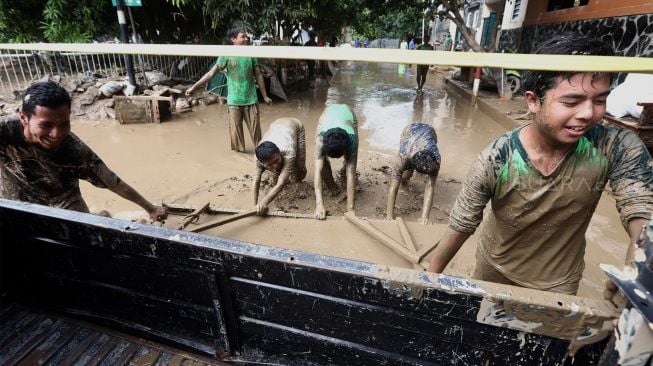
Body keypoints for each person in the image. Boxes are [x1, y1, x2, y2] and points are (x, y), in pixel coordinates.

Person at [428, 33, 653, 295]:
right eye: (571, 102)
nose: (589, 113)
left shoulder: (615, 146)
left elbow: (643, 213)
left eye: (600, 100)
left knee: (547, 335)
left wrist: (638, 275)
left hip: (558, 284)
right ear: (533, 101)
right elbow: (462, 223)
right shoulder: (498, 158)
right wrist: (430, 281)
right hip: (493, 270)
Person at [0, 81, 169, 222]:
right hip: (14, 198)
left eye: (64, 124)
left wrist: (151, 208)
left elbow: (113, 182)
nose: (56, 134)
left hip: (63, 200)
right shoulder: (4, 131)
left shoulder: (75, 151)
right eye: (46, 125)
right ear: (23, 118)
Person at [186, 26, 272, 152]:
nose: (246, 39)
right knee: (236, 140)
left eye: (246, 36)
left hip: (252, 100)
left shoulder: (251, 54)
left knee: (257, 137)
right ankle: (240, 159)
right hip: (234, 102)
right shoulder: (226, 55)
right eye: (243, 36)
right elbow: (211, 74)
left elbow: (258, 74)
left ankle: (261, 158)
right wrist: (194, 87)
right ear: (233, 39)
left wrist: (264, 96)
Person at [386, 123, 440, 225]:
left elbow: (430, 186)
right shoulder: (403, 157)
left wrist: (425, 217)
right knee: (405, 176)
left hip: (429, 131)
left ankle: (409, 175)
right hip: (409, 131)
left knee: (429, 177)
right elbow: (393, 188)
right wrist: (389, 216)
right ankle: (407, 176)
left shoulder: (436, 159)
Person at [252, 118, 307, 215]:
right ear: (262, 163)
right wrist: (255, 206)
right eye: (270, 164)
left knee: (299, 166)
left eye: (277, 160)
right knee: (277, 171)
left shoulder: (288, 152)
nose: (275, 165)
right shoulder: (257, 159)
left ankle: (299, 183)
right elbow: (256, 181)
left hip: (295, 126)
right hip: (276, 124)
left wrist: (263, 202)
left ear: (279, 153)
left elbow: (281, 183)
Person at [314, 104, 358, 220]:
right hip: (326, 115)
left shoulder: (352, 140)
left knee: (350, 163)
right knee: (321, 161)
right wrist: (319, 205)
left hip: (349, 114)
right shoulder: (320, 140)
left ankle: (342, 172)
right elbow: (317, 171)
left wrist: (350, 209)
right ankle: (332, 186)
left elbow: (351, 172)